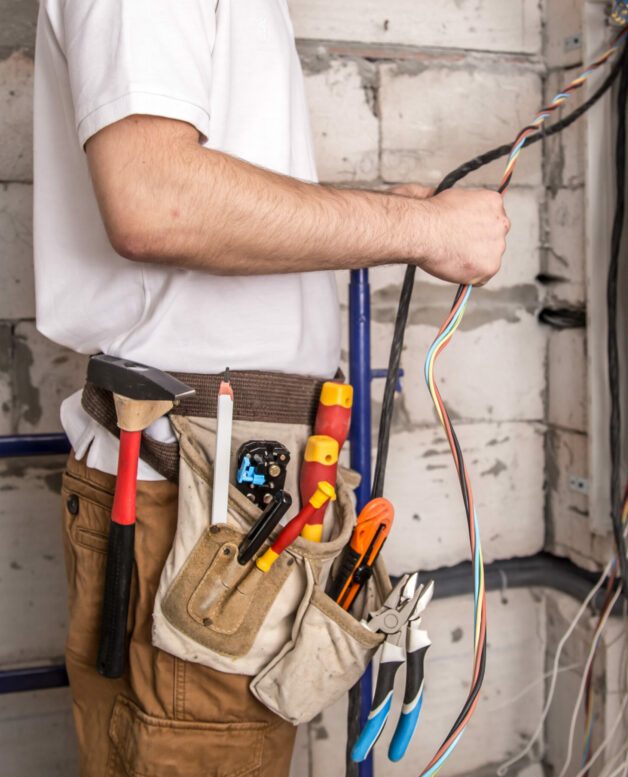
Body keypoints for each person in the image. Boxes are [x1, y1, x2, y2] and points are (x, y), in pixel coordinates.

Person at [33, 0, 509, 774]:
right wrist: (421, 231)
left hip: (234, 482)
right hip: (190, 483)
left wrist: (394, 217)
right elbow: (157, 202)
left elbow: (200, 192)